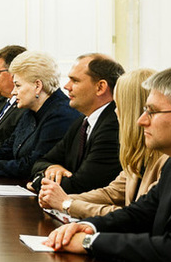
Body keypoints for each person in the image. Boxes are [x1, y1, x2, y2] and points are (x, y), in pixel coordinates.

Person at [44, 67, 171, 262]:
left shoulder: (166, 161)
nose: (141, 120)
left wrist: (91, 242)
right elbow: (140, 213)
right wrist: (91, 226)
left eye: (152, 111)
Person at [39, 68, 168, 218]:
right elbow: (112, 193)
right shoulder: (139, 152)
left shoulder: (166, 161)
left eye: (118, 105)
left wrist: (67, 204)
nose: (115, 112)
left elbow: (136, 216)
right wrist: (61, 199)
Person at [0, 51, 79, 179]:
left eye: (18, 85)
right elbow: (9, 147)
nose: (13, 92)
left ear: (37, 86)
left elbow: (34, 164)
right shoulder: (31, 110)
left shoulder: (61, 114)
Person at [32, 53, 124, 194]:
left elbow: (80, 186)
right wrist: (52, 168)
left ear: (100, 87)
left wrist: (39, 182)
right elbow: (41, 161)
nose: (66, 86)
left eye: (75, 81)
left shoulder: (113, 126)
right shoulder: (82, 122)